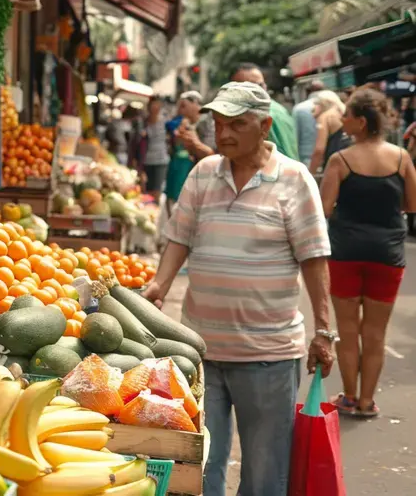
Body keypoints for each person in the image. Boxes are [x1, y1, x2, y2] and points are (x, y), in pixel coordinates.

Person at [142, 81, 335, 496]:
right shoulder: (203, 173)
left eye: (236, 124)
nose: (223, 133)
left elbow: (315, 259)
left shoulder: (295, 180)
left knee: (265, 475)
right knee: (198, 468)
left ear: (264, 125)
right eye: (218, 123)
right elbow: (180, 238)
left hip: (267, 355)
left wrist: (324, 329)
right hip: (199, 350)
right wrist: (160, 284)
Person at [320, 87, 416, 418]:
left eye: (346, 114)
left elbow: (325, 208)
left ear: (360, 121)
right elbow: (411, 204)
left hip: (346, 252)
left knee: (348, 331)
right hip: (387, 256)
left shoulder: (341, 160)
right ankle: (366, 401)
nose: (342, 120)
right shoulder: (402, 158)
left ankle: (348, 397)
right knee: (375, 334)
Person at [230, 63, 298, 160]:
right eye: (251, 86)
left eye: (260, 85)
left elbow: (284, 154)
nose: (258, 90)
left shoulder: (267, 114)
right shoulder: (247, 112)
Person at [309, 90, 351, 175]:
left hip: (335, 163)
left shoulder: (325, 117)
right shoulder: (343, 112)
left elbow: (319, 150)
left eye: (317, 103)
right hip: (350, 161)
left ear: (324, 103)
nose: (314, 107)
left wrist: (310, 173)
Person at [140, 97, 169, 201]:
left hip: (160, 160)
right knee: (145, 190)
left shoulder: (165, 121)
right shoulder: (143, 122)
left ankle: (155, 211)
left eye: (157, 105)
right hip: (146, 160)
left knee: (157, 190)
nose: (155, 108)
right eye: (153, 105)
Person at [293, 80, 325, 166]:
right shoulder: (331, 106)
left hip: (306, 158)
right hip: (327, 157)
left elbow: (295, 136)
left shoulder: (299, 109)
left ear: (307, 91)